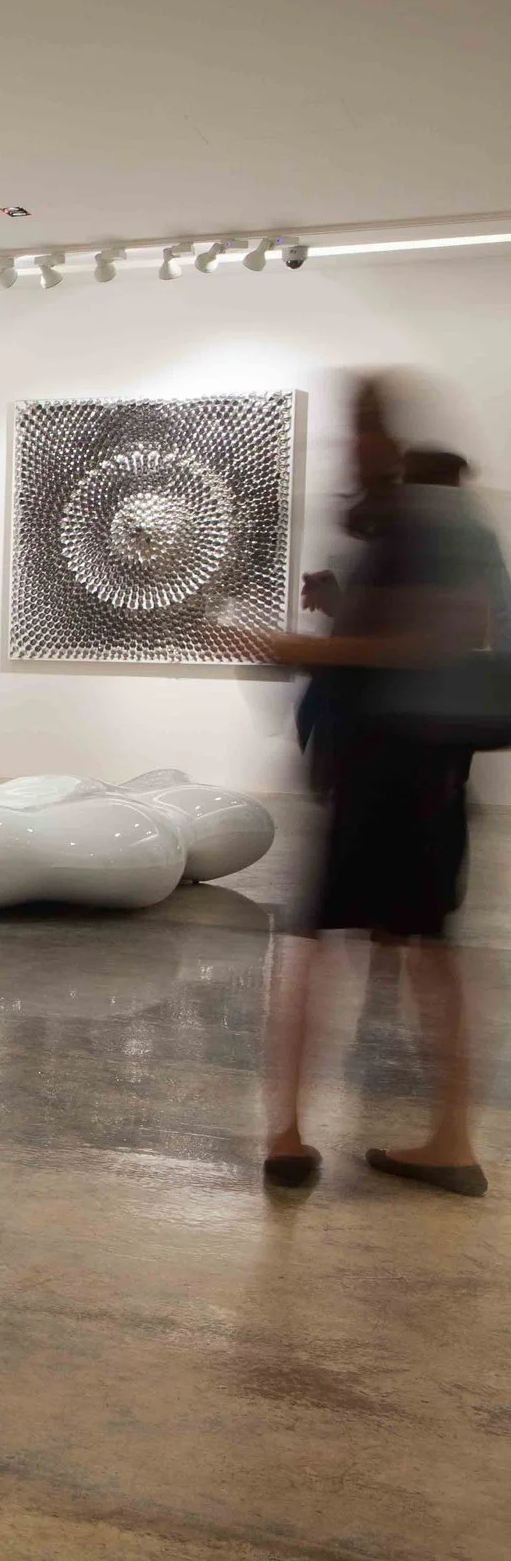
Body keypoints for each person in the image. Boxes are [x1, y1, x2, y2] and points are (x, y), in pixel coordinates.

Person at [253, 378, 496, 1198]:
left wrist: (296, 644)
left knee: (317, 944)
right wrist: (338, 613)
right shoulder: (426, 526)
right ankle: (439, 1137)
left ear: (384, 437)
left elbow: (417, 641)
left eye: (359, 425)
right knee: (420, 948)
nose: (350, 444)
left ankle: (291, 1132)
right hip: (415, 770)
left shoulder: (424, 526)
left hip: (389, 769)